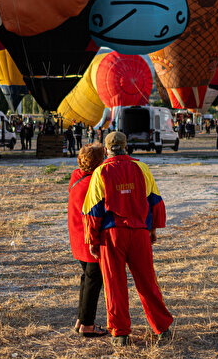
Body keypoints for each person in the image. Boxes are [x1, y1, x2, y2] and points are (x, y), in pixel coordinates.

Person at [83, 132, 174, 346]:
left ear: (106, 150)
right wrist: (152, 230)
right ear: (126, 147)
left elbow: (93, 211)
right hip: (139, 232)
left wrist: (93, 241)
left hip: (112, 235)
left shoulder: (100, 172)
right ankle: (161, 327)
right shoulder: (142, 168)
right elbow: (155, 202)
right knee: (147, 282)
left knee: (114, 284)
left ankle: (120, 333)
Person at [67, 143, 107, 337]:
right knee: (93, 281)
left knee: (86, 279)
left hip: (76, 237)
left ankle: (80, 320)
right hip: (88, 240)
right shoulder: (94, 184)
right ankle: (88, 326)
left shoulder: (76, 176)